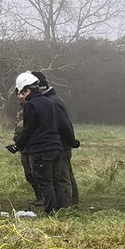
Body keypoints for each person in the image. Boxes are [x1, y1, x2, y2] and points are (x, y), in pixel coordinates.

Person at [12, 71, 73, 215]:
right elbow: (61, 123)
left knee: (45, 182)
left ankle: (51, 213)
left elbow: (28, 130)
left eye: (22, 92)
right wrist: (72, 140)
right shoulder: (49, 101)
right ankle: (62, 212)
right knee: (57, 181)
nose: (21, 95)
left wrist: (17, 146)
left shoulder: (30, 106)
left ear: (27, 90)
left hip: (41, 150)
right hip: (56, 148)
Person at [30, 71, 80, 205]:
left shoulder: (52, 102)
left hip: (61, 144)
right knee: (64, 175)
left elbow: (64, 125)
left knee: (63, 176)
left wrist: (71, 142)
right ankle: (68, 203)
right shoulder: (51, 99)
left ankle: (68, 205)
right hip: (58, 143)